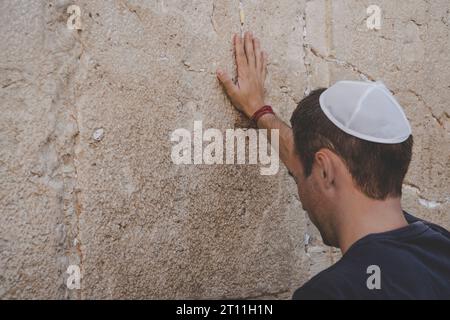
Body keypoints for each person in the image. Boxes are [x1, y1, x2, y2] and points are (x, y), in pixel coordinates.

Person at [216, 32, 450, 300]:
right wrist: (260, 111)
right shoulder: (440, 246)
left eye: (298, 176)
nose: (300, 193)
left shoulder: (331, 293)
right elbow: (307, 157)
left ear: (325, 170)